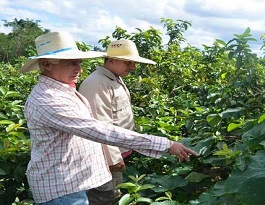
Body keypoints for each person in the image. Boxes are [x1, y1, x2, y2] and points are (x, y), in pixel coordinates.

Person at [21, 31, 198, 205]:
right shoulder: (50, 99)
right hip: (62, 190)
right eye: (71, 63)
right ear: (47, 64)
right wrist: (165, 144)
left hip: (71, 182)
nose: (79, 69)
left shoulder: (64, 90)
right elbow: (99, 129)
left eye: (79, 63)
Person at [78, 39, 159, 204]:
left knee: (113, 194)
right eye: (128, 62)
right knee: (105, 196)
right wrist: (113, 159)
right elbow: (100, 126)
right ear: (111, 60)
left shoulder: (113, 78)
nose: (132, 67)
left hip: (115, 153)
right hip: (104, 158)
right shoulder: (97, 83)